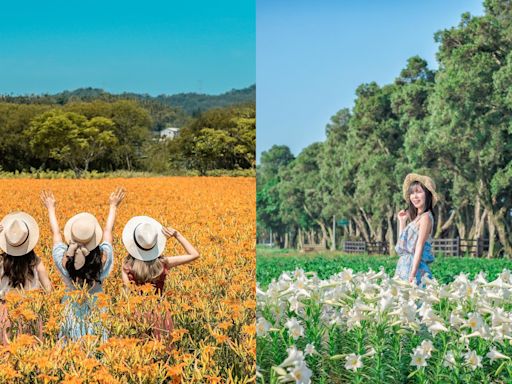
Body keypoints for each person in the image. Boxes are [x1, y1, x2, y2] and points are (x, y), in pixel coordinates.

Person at [40, 187, 125, 341]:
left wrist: (51, 208)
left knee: (71, 350)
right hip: (97, 310)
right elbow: (108, 231)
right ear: (94, 239)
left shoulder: (65, 263)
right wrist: (113, 206)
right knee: (97, 348)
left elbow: (56, 234)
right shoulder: (102, 260)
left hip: (71, 311)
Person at [0, 212, 52, 344]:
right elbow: (49, 290)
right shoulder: (36, 262)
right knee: (30, 350)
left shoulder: (1, 262)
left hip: (6, 313)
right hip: (30, 311)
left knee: (7, 352)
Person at [121, 216, 200, 294]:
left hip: (134, 306)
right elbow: (194, 254)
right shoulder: (163, 263)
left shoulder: (127, 266)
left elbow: (127, 293)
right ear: (154, 244)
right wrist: (177, 235)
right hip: (158, 306)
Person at [395, 173, 438, 286]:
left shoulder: (426, 217)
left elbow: (419, 246)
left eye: (418, 192)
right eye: (412, 193)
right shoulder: (416, 219)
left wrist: (412, 273)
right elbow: (403, 245)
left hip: (414, 267)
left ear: (427, 194)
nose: (414, 196)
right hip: (404, 265)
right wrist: (402, 222)